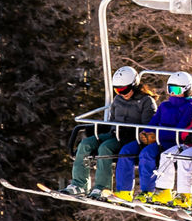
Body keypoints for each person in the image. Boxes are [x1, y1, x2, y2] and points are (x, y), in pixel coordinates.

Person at [60, 66, 156, 199]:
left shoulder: (146, 102)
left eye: (125, 89)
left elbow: (148, 126)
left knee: (105, 147)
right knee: (85, 144)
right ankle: (79, 184)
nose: (122, 93)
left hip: (132, 138)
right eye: (118, 90)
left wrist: (133, 133)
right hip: (115, 134)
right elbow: (112, 121)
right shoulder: (118, 100)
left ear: (134, 85)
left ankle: (102, 187)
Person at [113, 72, 192, 202]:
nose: (172, 93)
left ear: (186, 90)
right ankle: (124, 190)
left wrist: (155, 135)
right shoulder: (164, 105)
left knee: (146, 154)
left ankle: (147, 191)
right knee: (126, 151)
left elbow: (179, 131)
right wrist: (145, 133)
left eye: (176, 90)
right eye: (170, 89)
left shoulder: (189, 107)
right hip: (155, 138)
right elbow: (153, 121)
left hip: (171, 142)